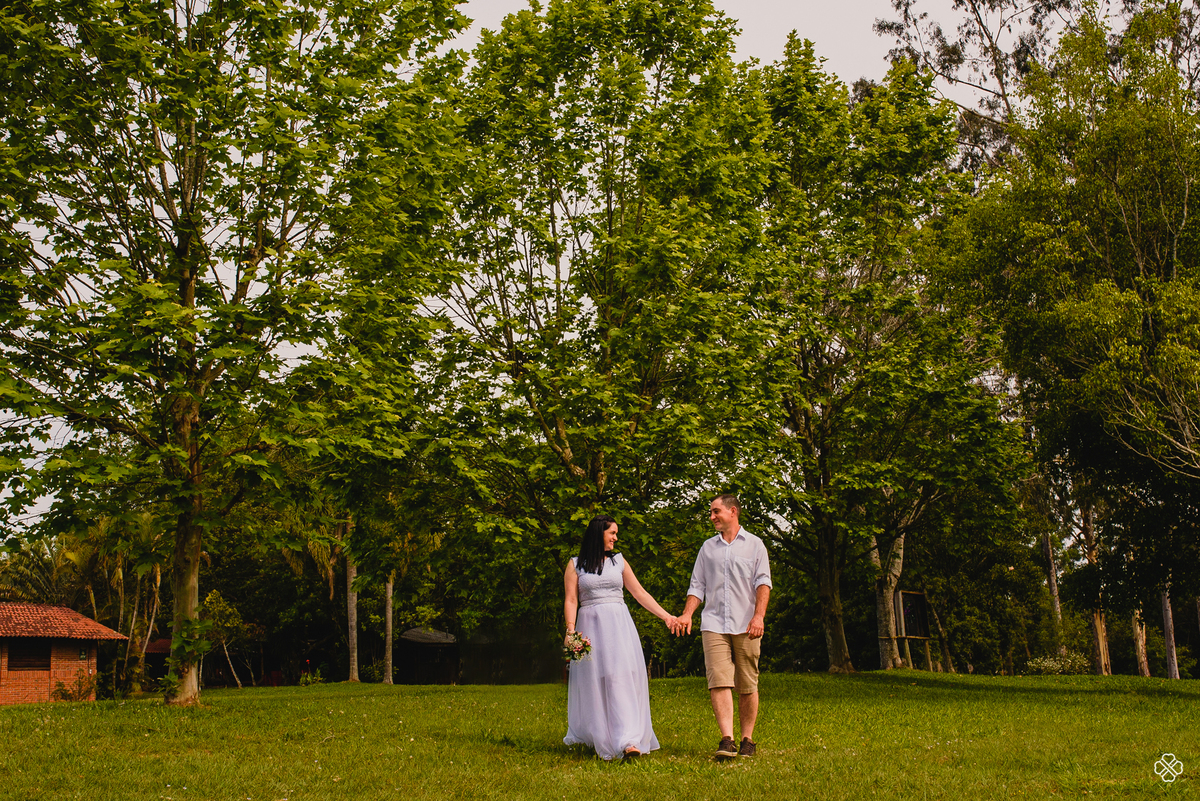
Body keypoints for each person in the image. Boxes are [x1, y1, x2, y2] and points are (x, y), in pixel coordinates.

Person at [563, 514, 677, 761]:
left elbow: (639, 593)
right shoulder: (575, 565)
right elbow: (571, 599)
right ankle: (601, 733)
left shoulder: (619, 562)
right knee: (596, 682)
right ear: (598, 533)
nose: (616, 537)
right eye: (612, 533)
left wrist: (666, 616)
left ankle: (628, 741)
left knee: (621, 678)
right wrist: (570, 631)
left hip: (618, 626)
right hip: (590, 626)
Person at [671, 494, 771, 760]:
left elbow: (763, 584)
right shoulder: (707, 548)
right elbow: (697, 586)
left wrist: (758, 616)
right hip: (714, 623)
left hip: (746, 624)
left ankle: (747, 739)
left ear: (733, 511)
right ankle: (727, 739)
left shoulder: (755, 545)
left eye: (716, 512)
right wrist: (687, 614)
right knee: (718, 680)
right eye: (711, 513)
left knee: (748, 682)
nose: (712, 517)